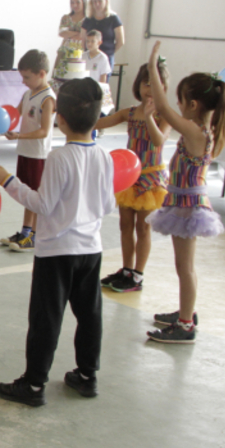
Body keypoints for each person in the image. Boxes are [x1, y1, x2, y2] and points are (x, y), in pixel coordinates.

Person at [0, 78, 115, 406]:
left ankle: (34, 384)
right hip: (91, 249)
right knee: (90, 314)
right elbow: (109, 205)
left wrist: (9, 182)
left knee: (46, 317)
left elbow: (42, 205)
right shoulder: (104, 156)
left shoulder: (60, 157)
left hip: (57, 251)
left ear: (61, 118)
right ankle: (87, 375)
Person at [144, 42, 225, 343]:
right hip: (180, 200)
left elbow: (163, 108)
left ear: (193, 105)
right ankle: (185, 311)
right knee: (183, 266)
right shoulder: (201, 129)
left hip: (188, 206)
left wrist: (153, 66)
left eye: (181, 101)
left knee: (185, 267)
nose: (176, 107)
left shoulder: (196, 132)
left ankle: (185, 324)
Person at [95, 62, 171, 293]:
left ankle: (138, 274)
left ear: (164, 87)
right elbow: (99, 122)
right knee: (125, 225)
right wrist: (78, 116)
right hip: (129, 177)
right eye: (146, 83)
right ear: (138, 85)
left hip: (151, 179)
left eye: (156, 84)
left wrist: (149, 117)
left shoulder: (164, 114)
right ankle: (126, 269)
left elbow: (159, 140)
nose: (150, 89)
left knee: (143, 228)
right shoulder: (129, 112)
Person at [0, 50, 54, 252]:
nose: (23, 81)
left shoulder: (48, 99)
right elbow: (13, 115)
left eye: (27, 77)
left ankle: (34, 234)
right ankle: (25, 231)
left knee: (34, 195)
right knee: (26, 194)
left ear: (41, 73)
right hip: (25, 152)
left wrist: (20, 136)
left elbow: (44, 131)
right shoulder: (28, 93)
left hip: (38, 154)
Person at [81, 0, 124, 69]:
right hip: (90, 57)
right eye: (95, 1)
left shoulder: (114, 18)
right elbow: (82, 40)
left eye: (100, 1)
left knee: (103, 80)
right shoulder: (88, 19)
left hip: (106, 57)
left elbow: (120, 41)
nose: (97, 4)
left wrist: (110, 53)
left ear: (106, 1)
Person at [51, 0, 87, 80]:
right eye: (72, 2)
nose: (74, 5)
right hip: (64, 50)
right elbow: (62, 33)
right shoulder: (66, 18)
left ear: (83, 2)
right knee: (59, 76)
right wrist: (77, 33)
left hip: (80, 52)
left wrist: (70, 34)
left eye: (78, 2)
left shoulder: (88, 19)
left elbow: (84, 36)